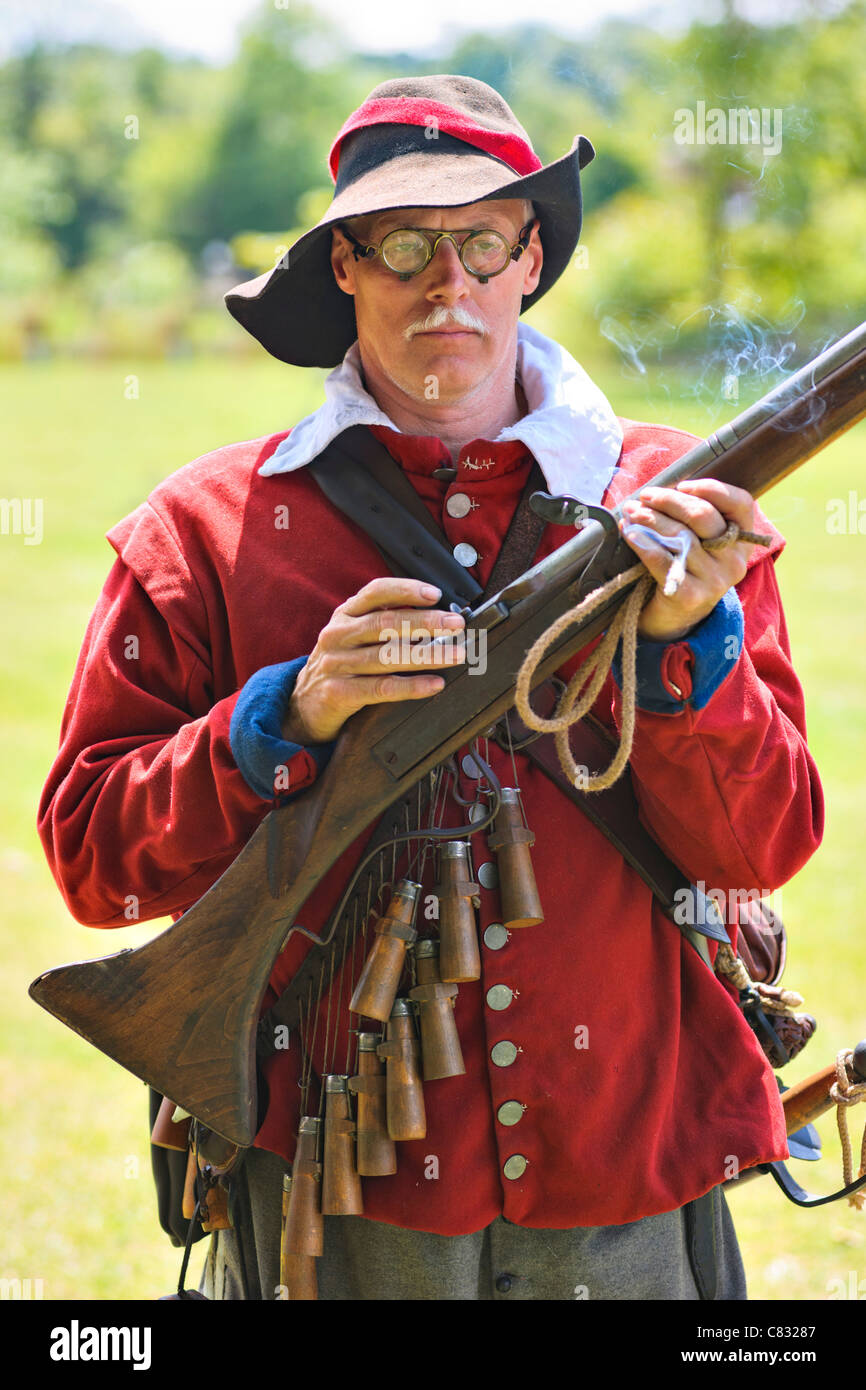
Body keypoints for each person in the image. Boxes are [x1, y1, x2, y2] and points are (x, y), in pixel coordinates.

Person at [38, 75, 823, 1301]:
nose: (444, 281)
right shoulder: (200, 531)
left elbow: (758, 846)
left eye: (478, 240)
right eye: (403, 243)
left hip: (622, 1159)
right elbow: (94, 857)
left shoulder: (671, 507)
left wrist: (684, 648)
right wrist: (278, 719)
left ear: (529, 257)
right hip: (340, 1186)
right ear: (344, 265)